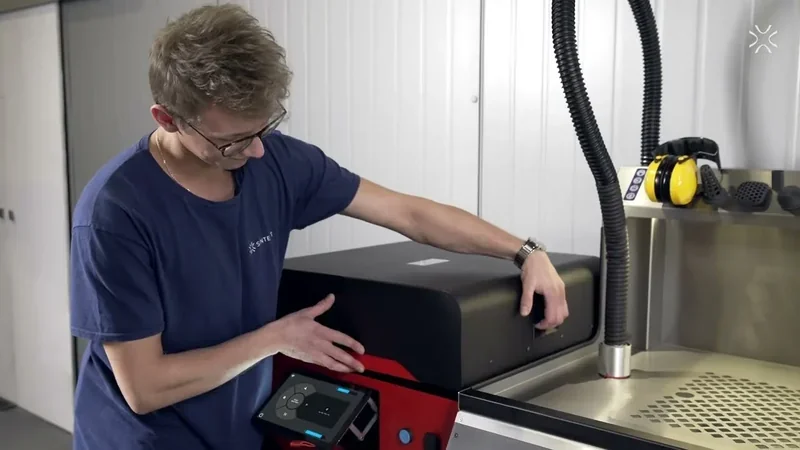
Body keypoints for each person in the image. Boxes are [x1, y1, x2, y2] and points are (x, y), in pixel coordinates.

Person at [69, 4, 568, 450]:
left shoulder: (276, 163)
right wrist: (273, 339)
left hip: (238, 424)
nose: (257, 151)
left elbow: (408, 213)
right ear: (169, 118)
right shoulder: (116, 213)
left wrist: (524, 251)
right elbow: (144, 387)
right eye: (234, 141)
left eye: (265, 128)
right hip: (144, 438)